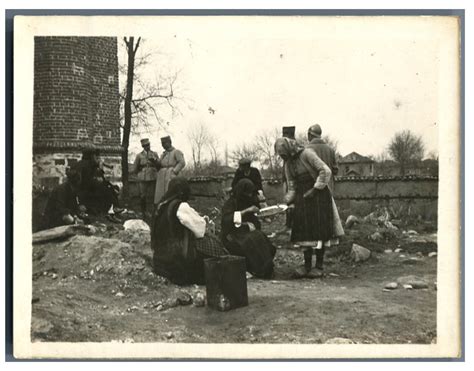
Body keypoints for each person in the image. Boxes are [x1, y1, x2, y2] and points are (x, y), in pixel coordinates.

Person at [274, 137, 344, 278]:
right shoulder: (288, 164)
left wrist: (315, 189)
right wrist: (287, 201)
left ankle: (318, 266)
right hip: (303, 198)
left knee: (319, 231)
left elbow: (325, 171)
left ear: (289, 148)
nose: (282, 157)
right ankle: (306, 266)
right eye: (280, 155)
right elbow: (292, 186)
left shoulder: (307, 154)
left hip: (318, 196)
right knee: (304, 232)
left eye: (283, 154)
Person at [151, 177, 228, 285]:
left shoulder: (160, 206)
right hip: (176, 262)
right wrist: (203, 222)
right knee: (213, 245)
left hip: (159, 260)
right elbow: (200, 230)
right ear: (183, 191)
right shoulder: (180, 206)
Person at [221, 178, 276, 279]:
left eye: (251, 193)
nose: (250, 195)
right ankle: (257, 269)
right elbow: (226, 220)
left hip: (248, 231)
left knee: (261, 238)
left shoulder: (250, 199)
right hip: (234, 234)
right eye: (248, 193)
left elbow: (259, 215)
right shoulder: (232, 202)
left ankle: (266, 268)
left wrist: (264, 215)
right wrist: (246, 211)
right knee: (250, 241)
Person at [77, 147, 122, 221]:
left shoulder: (80, 164)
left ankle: (113, 210)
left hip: (84, 189)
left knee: (110, 187)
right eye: (95, 156)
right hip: (86, 191)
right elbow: (89, 181)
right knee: (107, 190)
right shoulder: (89, 165)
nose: (97, 158)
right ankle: (111, 211)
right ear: (91, 156)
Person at [151, 136, 186, 207]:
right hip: (162, 176)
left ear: (169, 142)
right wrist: (154, 161)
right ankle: (160, 206)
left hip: (171, 174)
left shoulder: (176, 152)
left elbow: (182, 162)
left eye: (164, 143)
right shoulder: (164, 154)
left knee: (170, 191)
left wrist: (174, 171)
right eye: (162, 144)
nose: (163, 145)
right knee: (160, 194)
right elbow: (160, 164)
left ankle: (171, 206)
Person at [306, 124, 338, 193]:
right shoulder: (330, 150)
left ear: (309, 135)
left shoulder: (306, 150)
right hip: (329, 190)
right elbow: (335, 171)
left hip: (312, 191)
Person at [133, 138, 159, 217]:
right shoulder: (139, 155)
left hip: (152, 176)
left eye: (148, 145)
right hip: (143, 177)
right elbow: (135, 167)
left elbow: (159, 165)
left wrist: (154, 161)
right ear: (143, 146)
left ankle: (153, 211)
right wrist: (139, 174)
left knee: (152, 194)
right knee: (142, 195)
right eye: (145, 146)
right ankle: (143, 211)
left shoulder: (154, 154)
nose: (147, 147)